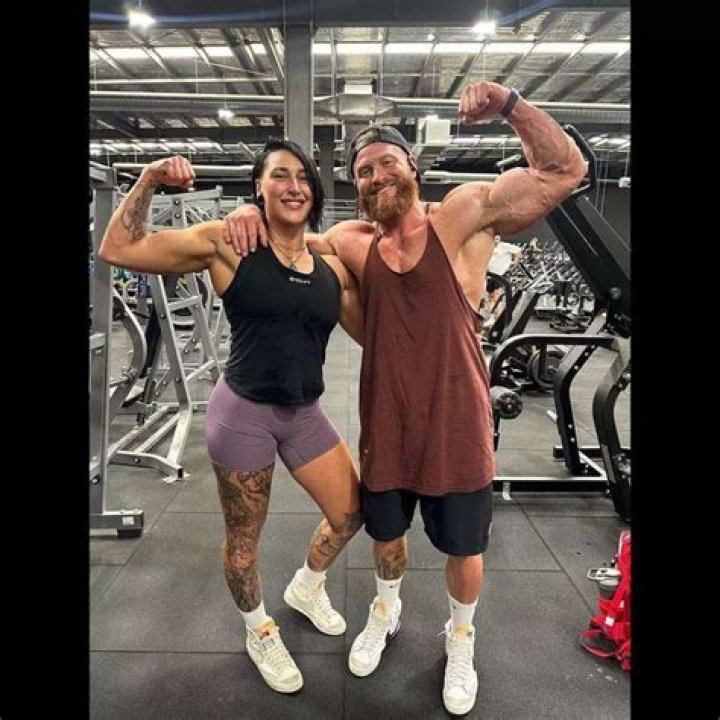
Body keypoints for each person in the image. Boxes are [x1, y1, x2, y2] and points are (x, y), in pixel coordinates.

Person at [223, 81, 586, 715]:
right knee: (386, 537)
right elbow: (288, 240)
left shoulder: (465, 213)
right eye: (363, 171)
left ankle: (461, 637)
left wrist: (509, 104)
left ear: (412, 166)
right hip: (386, 423)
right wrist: (246, 212)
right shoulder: (351, 241)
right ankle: (385, 610)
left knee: (465, 549)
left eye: (387, 162)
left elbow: (565, 169)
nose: (376, 175)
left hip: (457, 422)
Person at [97, 138, 365, 695]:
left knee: (351, 514)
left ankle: (306, 586)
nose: (294, 186)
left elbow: (382, 306)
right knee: (244, 542)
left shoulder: (329, 263)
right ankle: (258, 629)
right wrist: (149, 178)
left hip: (304, 412)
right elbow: (119, 248)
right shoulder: (228, 244)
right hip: (243, 414)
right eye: (279, 175)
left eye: (303, 177)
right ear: (259, 188)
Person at [484, 235, 523, 327]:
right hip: (490, 275)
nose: (495, 241)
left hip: (500, 275)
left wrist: (515, 261)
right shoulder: (490, 247)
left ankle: (499, 320)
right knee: (491, 297)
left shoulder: (504, 246)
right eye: (494, 239)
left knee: (496, 297)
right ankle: (493, 318)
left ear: (499, 239)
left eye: (497, 239)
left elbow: (518, 250)